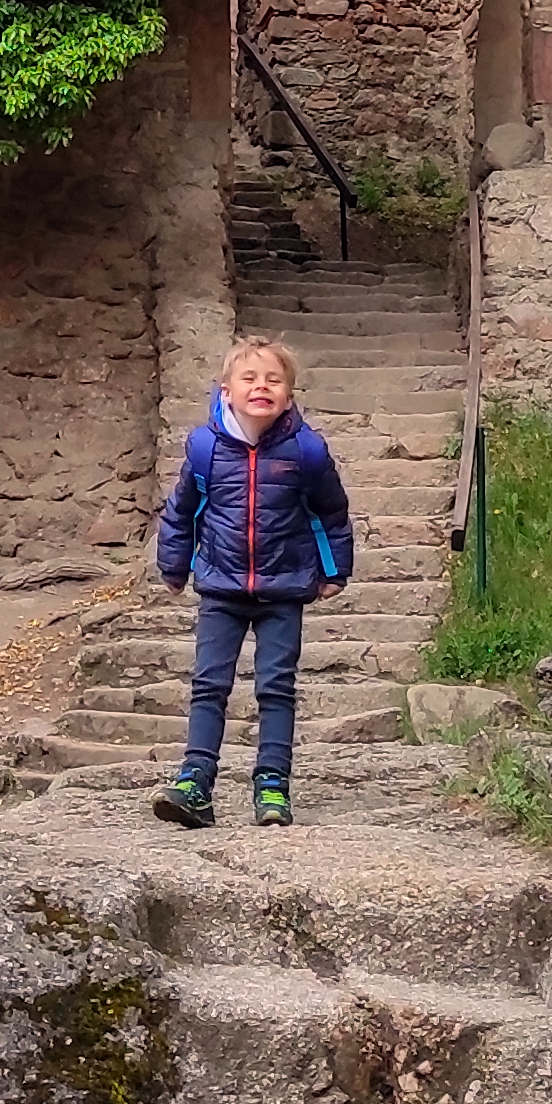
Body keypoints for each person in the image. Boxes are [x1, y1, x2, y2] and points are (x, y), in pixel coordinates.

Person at [150, 333, 353, 829]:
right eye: (249, 378)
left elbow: (331, 512)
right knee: (208, 684)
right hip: (220, 586)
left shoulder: (306, 451)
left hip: (284, 589)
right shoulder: (204, 449)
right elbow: (182, 512)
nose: (261, 386)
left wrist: (334, 569)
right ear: (226, 390)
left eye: (273, 379)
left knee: (276, 688)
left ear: (288, 394)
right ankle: (195, 781)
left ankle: (272, 786)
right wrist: (175, 565)